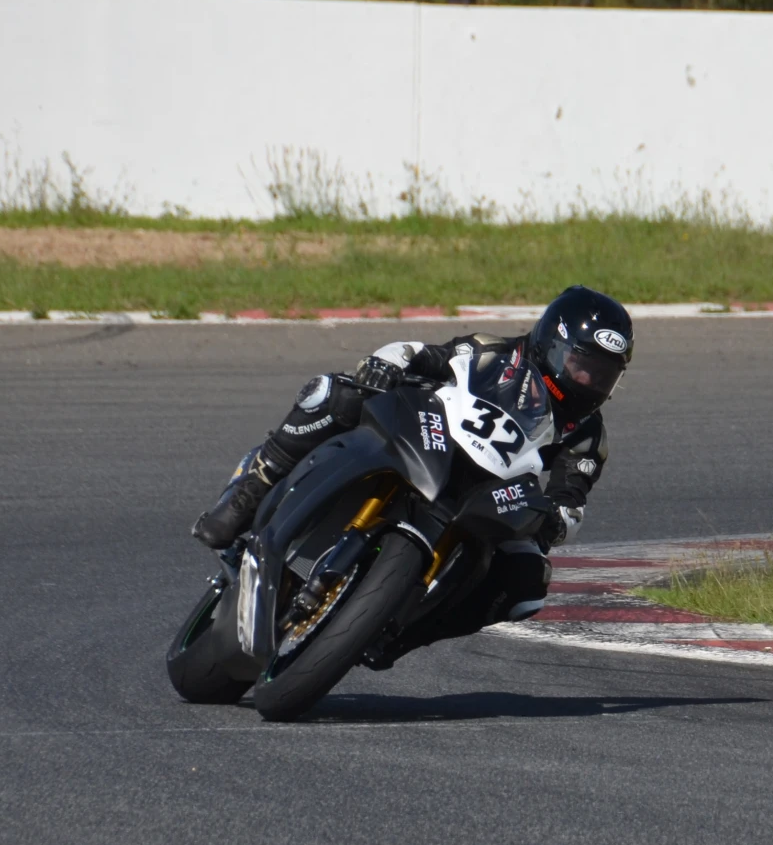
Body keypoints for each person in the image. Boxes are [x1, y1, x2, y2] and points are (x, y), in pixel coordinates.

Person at [189, 285, 631, 669]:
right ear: (552, 344)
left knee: (528, 579)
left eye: (602, 375)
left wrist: (556, 520)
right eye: (581, 364)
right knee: (337, 392)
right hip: (431, 437)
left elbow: (572, 498)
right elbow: (422, 354)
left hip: (489, 494)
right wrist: (388, 363)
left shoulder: (588, 437)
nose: (588, 381)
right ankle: (253, 488)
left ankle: (399, 633)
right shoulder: (494, 350)